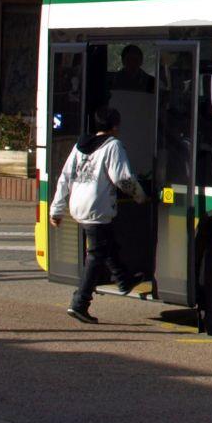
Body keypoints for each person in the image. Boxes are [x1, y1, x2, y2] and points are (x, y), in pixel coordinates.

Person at [49, 106, 148, 322]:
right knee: (95, 254)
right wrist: (141, 196)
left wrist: (56, 209)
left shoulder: (80, 146)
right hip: (97, 206)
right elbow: (122, 178)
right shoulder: (113, 146)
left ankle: (123, 280)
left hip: (78, 204)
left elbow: (65, 177)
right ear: (115, 126)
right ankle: (80, 302)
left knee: (107, 243)